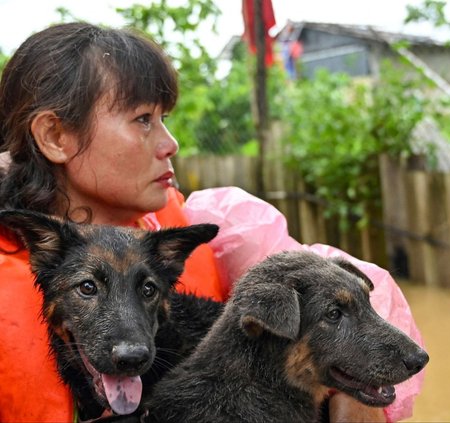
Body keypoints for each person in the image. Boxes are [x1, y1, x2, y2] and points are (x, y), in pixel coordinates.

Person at [0, 22, 424, 422]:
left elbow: (347, 297)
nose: (170, 144)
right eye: (143, 120)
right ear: (55, 136)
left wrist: (352, 390)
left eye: (164, 119)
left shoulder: (212, 230)